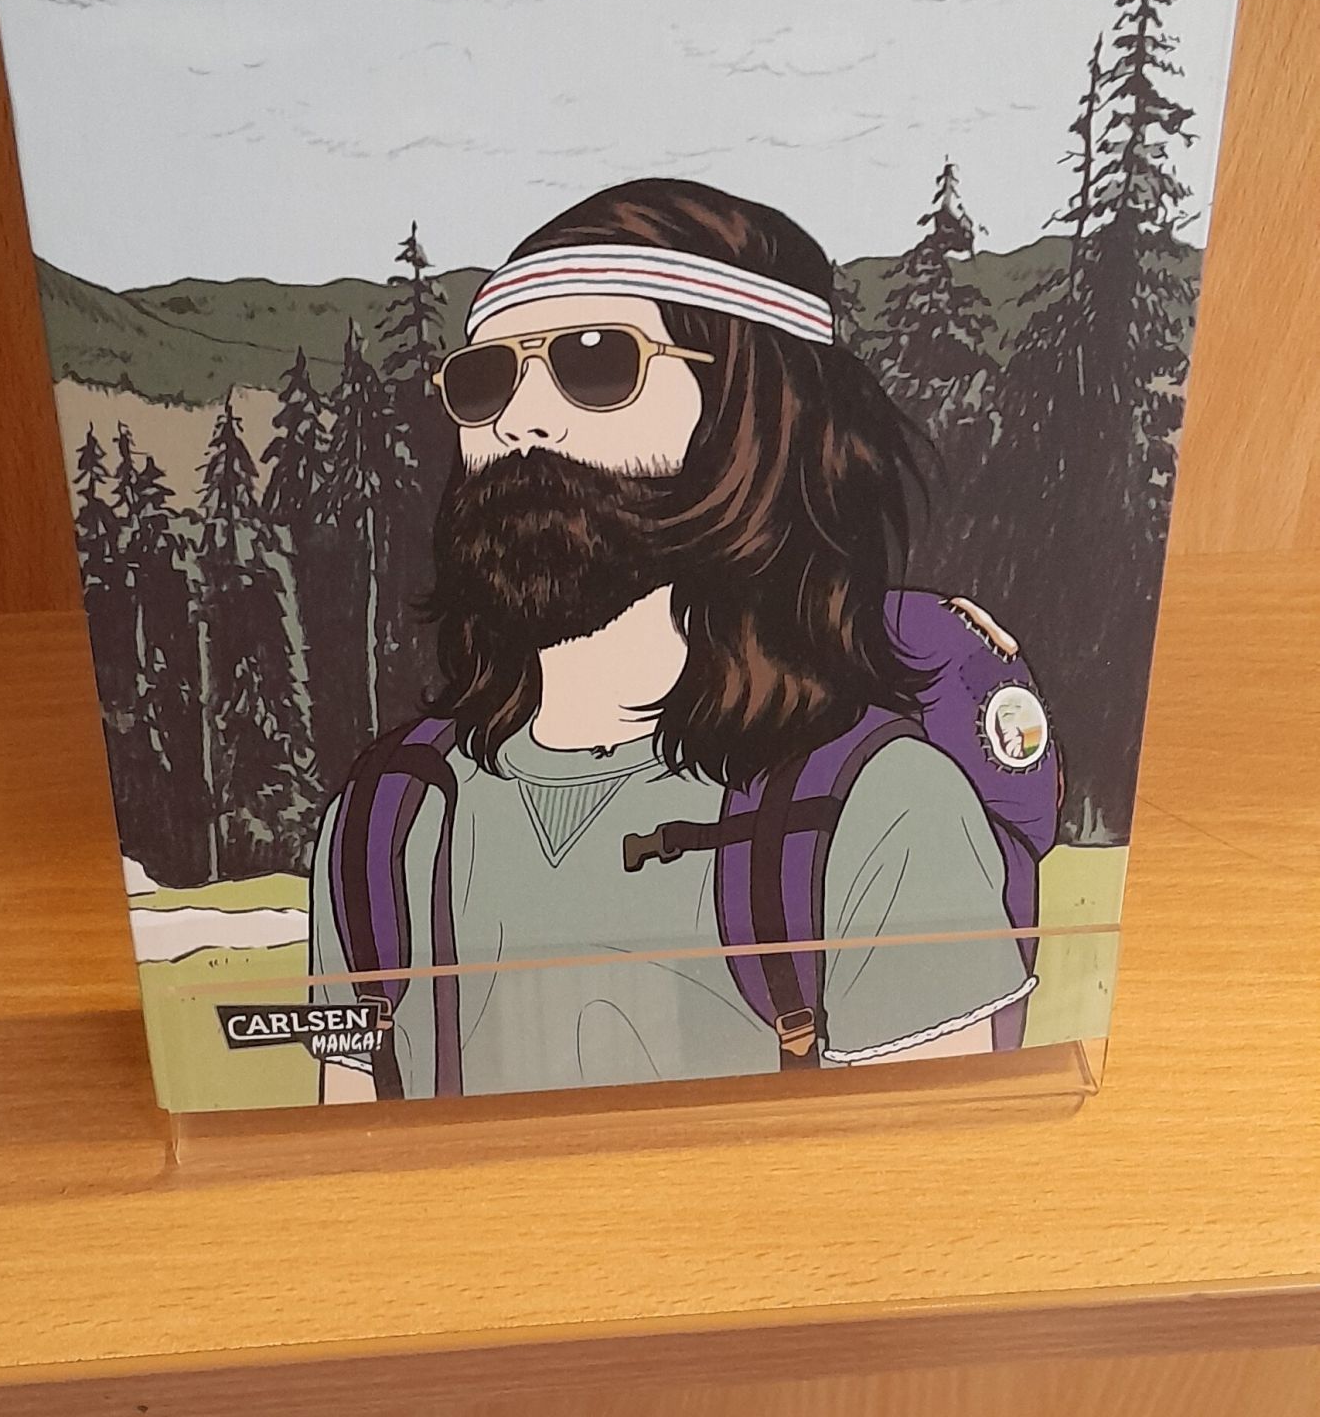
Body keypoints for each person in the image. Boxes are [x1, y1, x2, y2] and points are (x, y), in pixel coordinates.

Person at [309, 178, 1047, 1102]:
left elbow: (916, 1166)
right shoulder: (382, 818)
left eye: (594, 361)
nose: (518, 419)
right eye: (485, 378)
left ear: (750, 413)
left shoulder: (878, 807)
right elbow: (350, 1139)